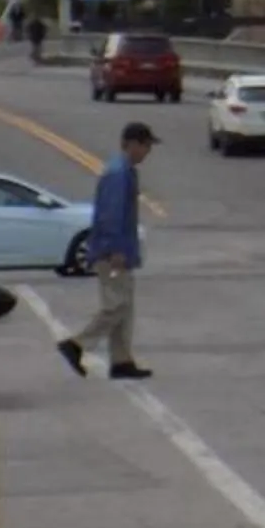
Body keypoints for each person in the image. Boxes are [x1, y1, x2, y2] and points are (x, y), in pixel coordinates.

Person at [59, 121, 154, 381]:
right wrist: (114, 250)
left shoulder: (125, 171)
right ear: (131, 144)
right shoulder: (118, 173)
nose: (147, 152)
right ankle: (76, 344)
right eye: (145, 146)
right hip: (112, 253)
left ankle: (122, 360)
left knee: (125, 306)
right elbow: (111, 215)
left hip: (121, 250)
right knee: (116, 305)